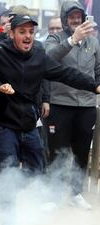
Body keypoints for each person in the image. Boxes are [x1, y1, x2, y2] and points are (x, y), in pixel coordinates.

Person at [0, 14, 100, 225]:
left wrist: (94, 86)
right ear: (11, 34)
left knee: (37, 172)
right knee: (8, 172)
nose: (27, 36)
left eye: (30, 31)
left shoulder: (38, 54)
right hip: (1, 124)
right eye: (22, 31)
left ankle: (0, 197)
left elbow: (65, 74)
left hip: (28, 124)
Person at [45, 1, 100, 210]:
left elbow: (99, 70)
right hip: (60, 104)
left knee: (82, 151)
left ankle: (76, 193)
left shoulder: (94, 42)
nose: (76, 20)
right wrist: (71, 40)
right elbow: (48, 59)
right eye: (71, 17)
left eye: (79, 16)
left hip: (86, 105)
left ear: (84, 18)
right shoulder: (55, 38)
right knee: (57, 151)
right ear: (65, 19)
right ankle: (52, 195)